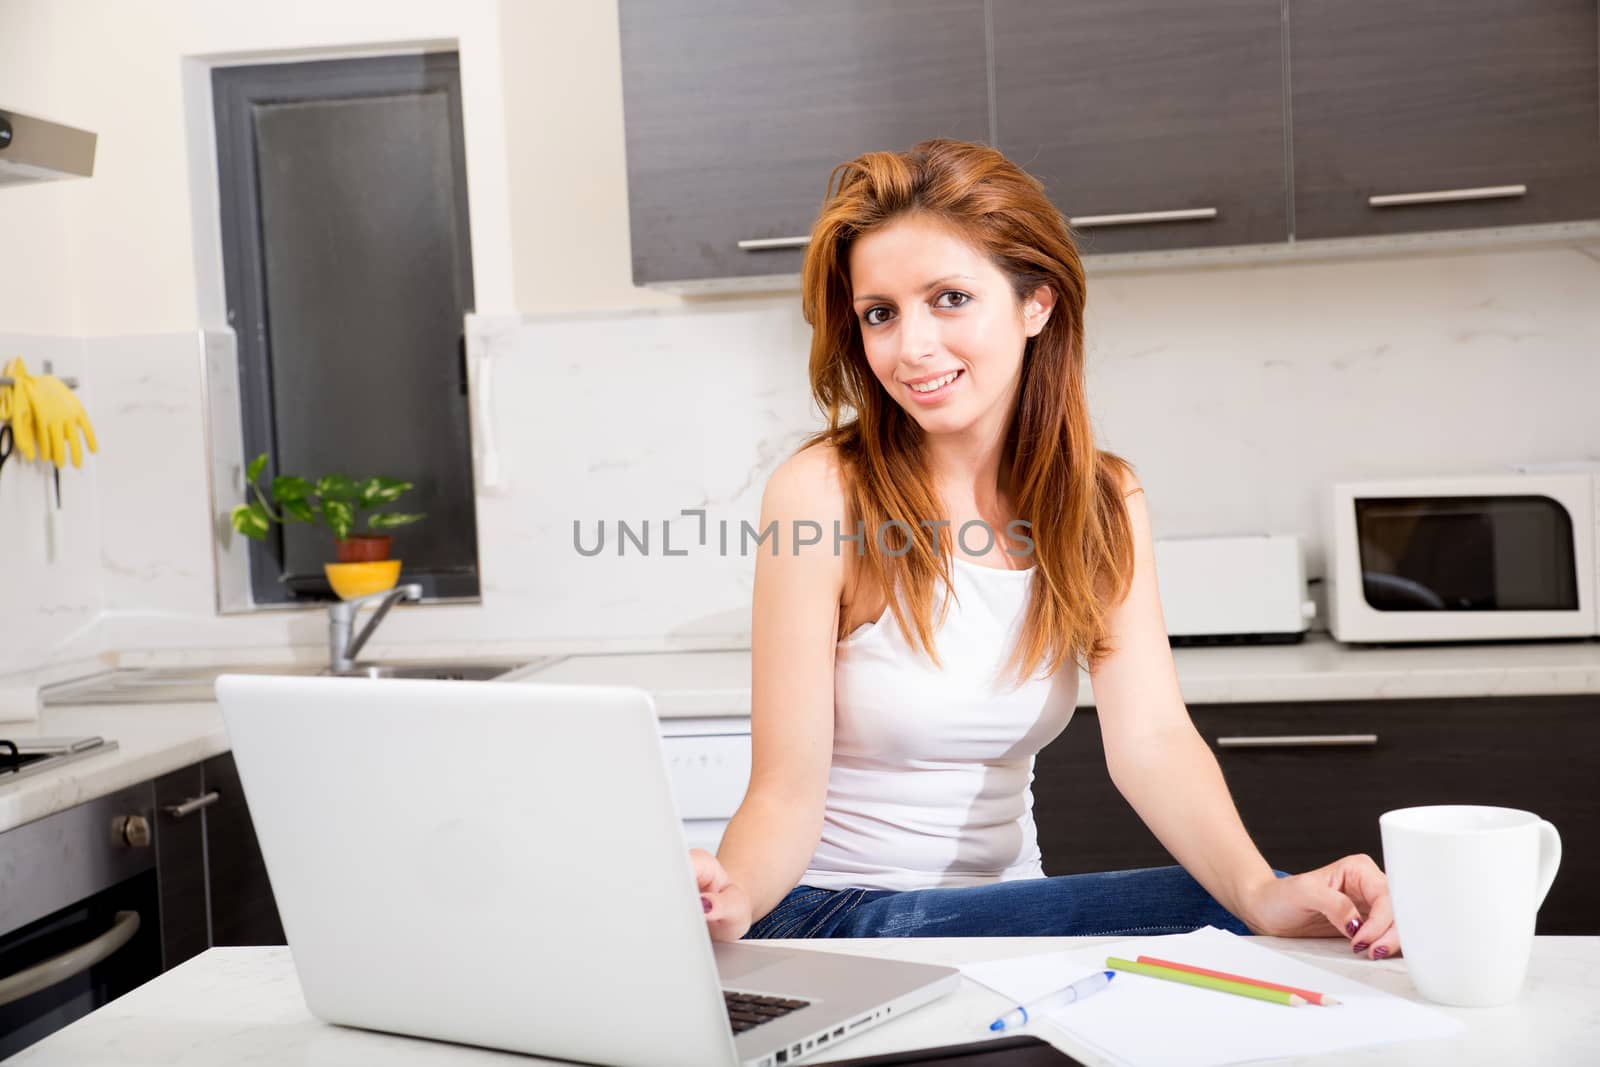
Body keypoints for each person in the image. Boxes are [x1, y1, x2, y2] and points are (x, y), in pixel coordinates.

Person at [692, 139, 1399, 959]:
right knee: (1201, 909)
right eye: (880, 312)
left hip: (1008, 911)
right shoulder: (824, 492)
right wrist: (733, 897)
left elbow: (1153, 740)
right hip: (833, 916)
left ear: (1038, 303)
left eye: (949, 298)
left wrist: (1261, 890)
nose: (911, 346)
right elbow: (784, 789)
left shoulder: (1101, 500)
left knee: (1245, 908)